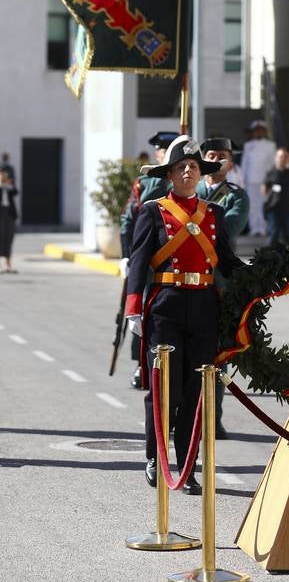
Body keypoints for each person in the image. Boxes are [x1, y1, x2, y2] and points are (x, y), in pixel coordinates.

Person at [125, 136, 244, 494]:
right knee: (165, 389)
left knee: (196, 391)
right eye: (182, 166)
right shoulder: (153, 210)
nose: (189, 171)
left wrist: (264, 274)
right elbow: (138, 261)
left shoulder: (214, 214)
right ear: (171, 174)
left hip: (205, 306)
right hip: (166, 306)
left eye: (193, 166)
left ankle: (187, 466)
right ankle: (155, 457)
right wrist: (133, 308)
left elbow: (226, 261)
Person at [197, 136, 251, 440]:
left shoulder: (236, 197)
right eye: (211, 154)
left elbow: (225, 231)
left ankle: (212, 417)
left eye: (223, 155)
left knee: (216, 355)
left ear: (230, 163)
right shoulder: (182, 192)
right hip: (183, 279)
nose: (217, 158)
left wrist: (190, 215)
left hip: (217, 282)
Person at [120, 131, 178, 389]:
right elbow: (127, 220)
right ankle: (141, 365)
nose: (159, 154)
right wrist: (125, 255)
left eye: (163, 150)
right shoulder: (144, 183)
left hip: (173, 260)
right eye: (159, 151)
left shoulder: (184, 182)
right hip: (145, 258)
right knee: (141, 311)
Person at [241, 120, 276, 235]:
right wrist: (243, 180)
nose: (258, 132)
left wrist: (271, 179)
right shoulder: (248, 145)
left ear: (265, 131)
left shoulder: (271, 146)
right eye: (256, 130)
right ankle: (254, 228)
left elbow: (272, 163)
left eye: (261, 130)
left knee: (263, 204)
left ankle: (263, 228)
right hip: (251, 180)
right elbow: (245, 164)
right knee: (252, 205)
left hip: (264, 180)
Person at [262, 146, 289, 245]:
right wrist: (274, 196)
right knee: (273, 235)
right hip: (273, 209)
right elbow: (264, 189)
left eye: (285, 156)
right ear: (276, 157)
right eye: (280, 156)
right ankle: (270, 257)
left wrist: (287, 194)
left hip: (287, 208)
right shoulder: (270, 173)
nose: (282, 158)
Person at [0, 166, 18, 273]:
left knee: (9, 238)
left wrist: (8, 184)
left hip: (9, 215)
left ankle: (8, 264)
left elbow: (15, 192)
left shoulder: (9, 186)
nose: (3, 177)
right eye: (2, 174)